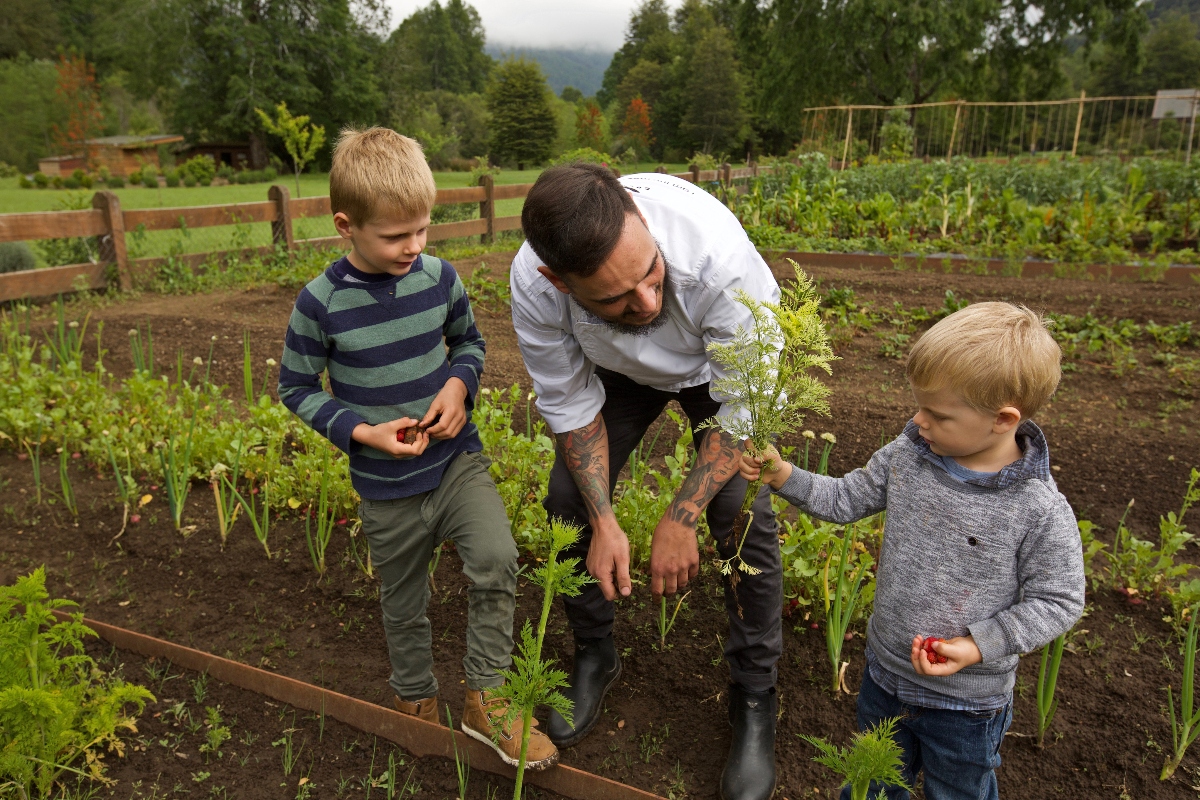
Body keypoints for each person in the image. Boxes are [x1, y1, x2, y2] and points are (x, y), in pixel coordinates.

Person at [278, 127, 557, 770]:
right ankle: (415, 701)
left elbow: (470, 345)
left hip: (456, 461)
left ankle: (486, 695)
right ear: (346, 225)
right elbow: (294, 387)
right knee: (403, 603)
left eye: (423, 230)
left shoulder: (439, 279)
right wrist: (358, 430)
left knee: (497, 558)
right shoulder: (320, 305)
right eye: (396, 236)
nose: (415, 246)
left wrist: (460, 385)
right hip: (384, 484)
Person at [511, 163, 782, 800]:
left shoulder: (716, 257)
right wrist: (606, 520)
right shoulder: (534, 282)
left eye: (650, 275)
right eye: (614, 298)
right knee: (567, 500)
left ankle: (754, 696)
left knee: (740, 516)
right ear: (558, 282)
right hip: (619, 374)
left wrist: (680, 516)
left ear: (641, 216)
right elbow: (570, 404)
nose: (648, 303)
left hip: (717, 371)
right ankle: (594, 653)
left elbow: (744, 404)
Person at [741, 302, 1085, 800]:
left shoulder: (1037, 509)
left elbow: (1060, 600)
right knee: (871, 785)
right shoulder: (908, 458)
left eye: (938, 414)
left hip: (967, 707)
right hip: (884, 677)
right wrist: (784, 476)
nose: (918, 419)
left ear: (1003, 419)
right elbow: (845, 498)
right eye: (919, 405)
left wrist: (977, 644)